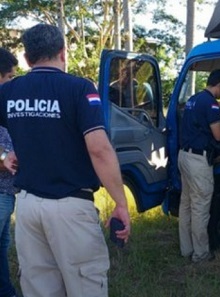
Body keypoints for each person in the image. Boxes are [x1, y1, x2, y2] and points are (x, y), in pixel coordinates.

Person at [0, 24, 131, 297]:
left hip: (26, 208)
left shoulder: (9, 91)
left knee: (39, 288)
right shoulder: (80, 88)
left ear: (27, 59)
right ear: (63, 52)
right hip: (70, 208)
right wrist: (120, 202)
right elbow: (99, 150)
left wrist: (4, 155)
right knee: (85, 286)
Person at [178, 69, 220, 263]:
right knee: (200, 207)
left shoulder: (193, 99)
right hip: (198, 161)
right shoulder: (212, 104)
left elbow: (202, 127)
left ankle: (186, 249)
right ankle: (201, 254)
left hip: (184, 155)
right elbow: (219, 136)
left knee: (186, 205)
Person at [0, 47, 18, 297]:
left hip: (8, 189)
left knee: (3, 245)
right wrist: (4, 156)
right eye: (10, 77)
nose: (13, 81)